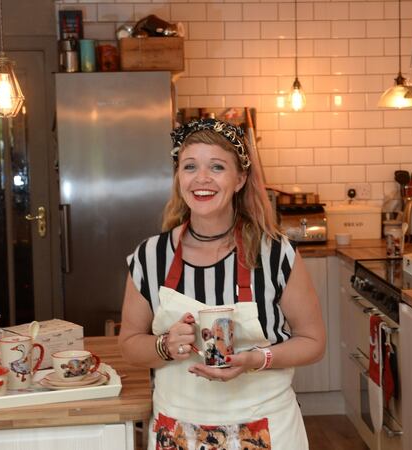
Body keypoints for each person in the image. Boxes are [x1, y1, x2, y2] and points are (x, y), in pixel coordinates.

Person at [118, 118, 325, 449]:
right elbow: (129, 344)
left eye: (217, 166)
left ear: (240, 179)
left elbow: (313, 341)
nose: (202, 178)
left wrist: (256, 359)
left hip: (266, 426)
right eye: (190, 166)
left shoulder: (276, 254)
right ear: (179, 177)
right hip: (178, 430)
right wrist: (164, 346)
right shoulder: (150, 257)